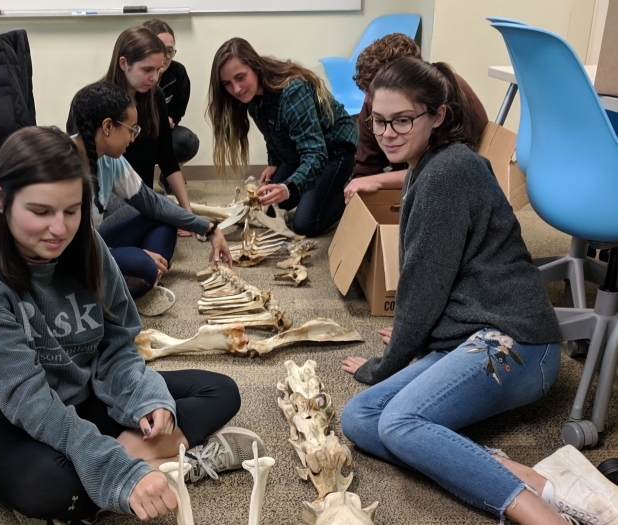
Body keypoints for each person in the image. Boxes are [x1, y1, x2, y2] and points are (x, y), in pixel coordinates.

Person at [0, 125, 263, 525]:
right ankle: (167, 462)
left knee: (219, 390)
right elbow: (26, 399)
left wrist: (144, 398)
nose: (59, 229)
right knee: (50, 487)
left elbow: (118, 343)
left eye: (72, 210)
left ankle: (138, 470)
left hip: (79, 394)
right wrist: (117, 471)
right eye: (40, 211)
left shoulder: (83, 242)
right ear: (0, 199)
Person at [337, 56, 618, 525]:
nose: (387, 132)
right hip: (469, 332)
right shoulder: (431, 164)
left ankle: (542, 514)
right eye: (378, 120)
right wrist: (418, 342)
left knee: (399, 423)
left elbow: (422, 291)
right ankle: (521, 473)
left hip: (519, 341)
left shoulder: (447, 174)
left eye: (402, 119)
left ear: (438, 115)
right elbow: (433, 288)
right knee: (359, 420)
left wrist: (387, 363)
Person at [68, 82, 231, 316]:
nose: (133, 138)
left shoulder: (110, 159)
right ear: (107, 126)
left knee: (164, 219)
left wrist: (209, 228)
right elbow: (67, 243)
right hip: (73, 255)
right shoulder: (61, 162)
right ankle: (129, 282)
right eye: (131, 129)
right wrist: (131, 254)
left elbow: (153, 203)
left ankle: (142, 281)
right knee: (141, 263)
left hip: (93, 244)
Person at [207, 37, 358, 238]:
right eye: (227, 83)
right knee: (266, 207)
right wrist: (274, 162)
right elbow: (273, 133)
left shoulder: (293, 91)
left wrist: (288, 186)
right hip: (300, 154)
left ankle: (352, 188)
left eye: (240, 77)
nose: (236, 89)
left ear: (255, 67)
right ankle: (316, 190)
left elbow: (316, 153)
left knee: (305, 224)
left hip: (333, 153)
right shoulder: (251, 97)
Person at [342, 33, 489, 203]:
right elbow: (366, 166)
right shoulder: (373, 104)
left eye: (402, 119)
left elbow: (449, 172)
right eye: (369, 91)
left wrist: (379, 180)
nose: (367, 99)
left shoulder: (448, 98)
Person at [99, 25, 195, 235]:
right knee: (157, 211)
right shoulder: (96, 100)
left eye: (158, 70)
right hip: (108, 203)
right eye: (147, 70)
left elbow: (167, 159)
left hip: (141, 196)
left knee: (165, 218)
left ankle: (144, 258)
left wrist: (187, 215)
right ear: (123, 63)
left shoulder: (155, 96)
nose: (155, 77)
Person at [142, 19, 200, 193]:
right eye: (160, 48)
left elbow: (177, 113)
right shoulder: (134, 73)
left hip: (162, 132)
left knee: (188, 140)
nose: (166, 56)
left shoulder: (178, 73)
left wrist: (170, 119)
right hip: (134, 134)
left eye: (170, 50)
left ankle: (167, 177)